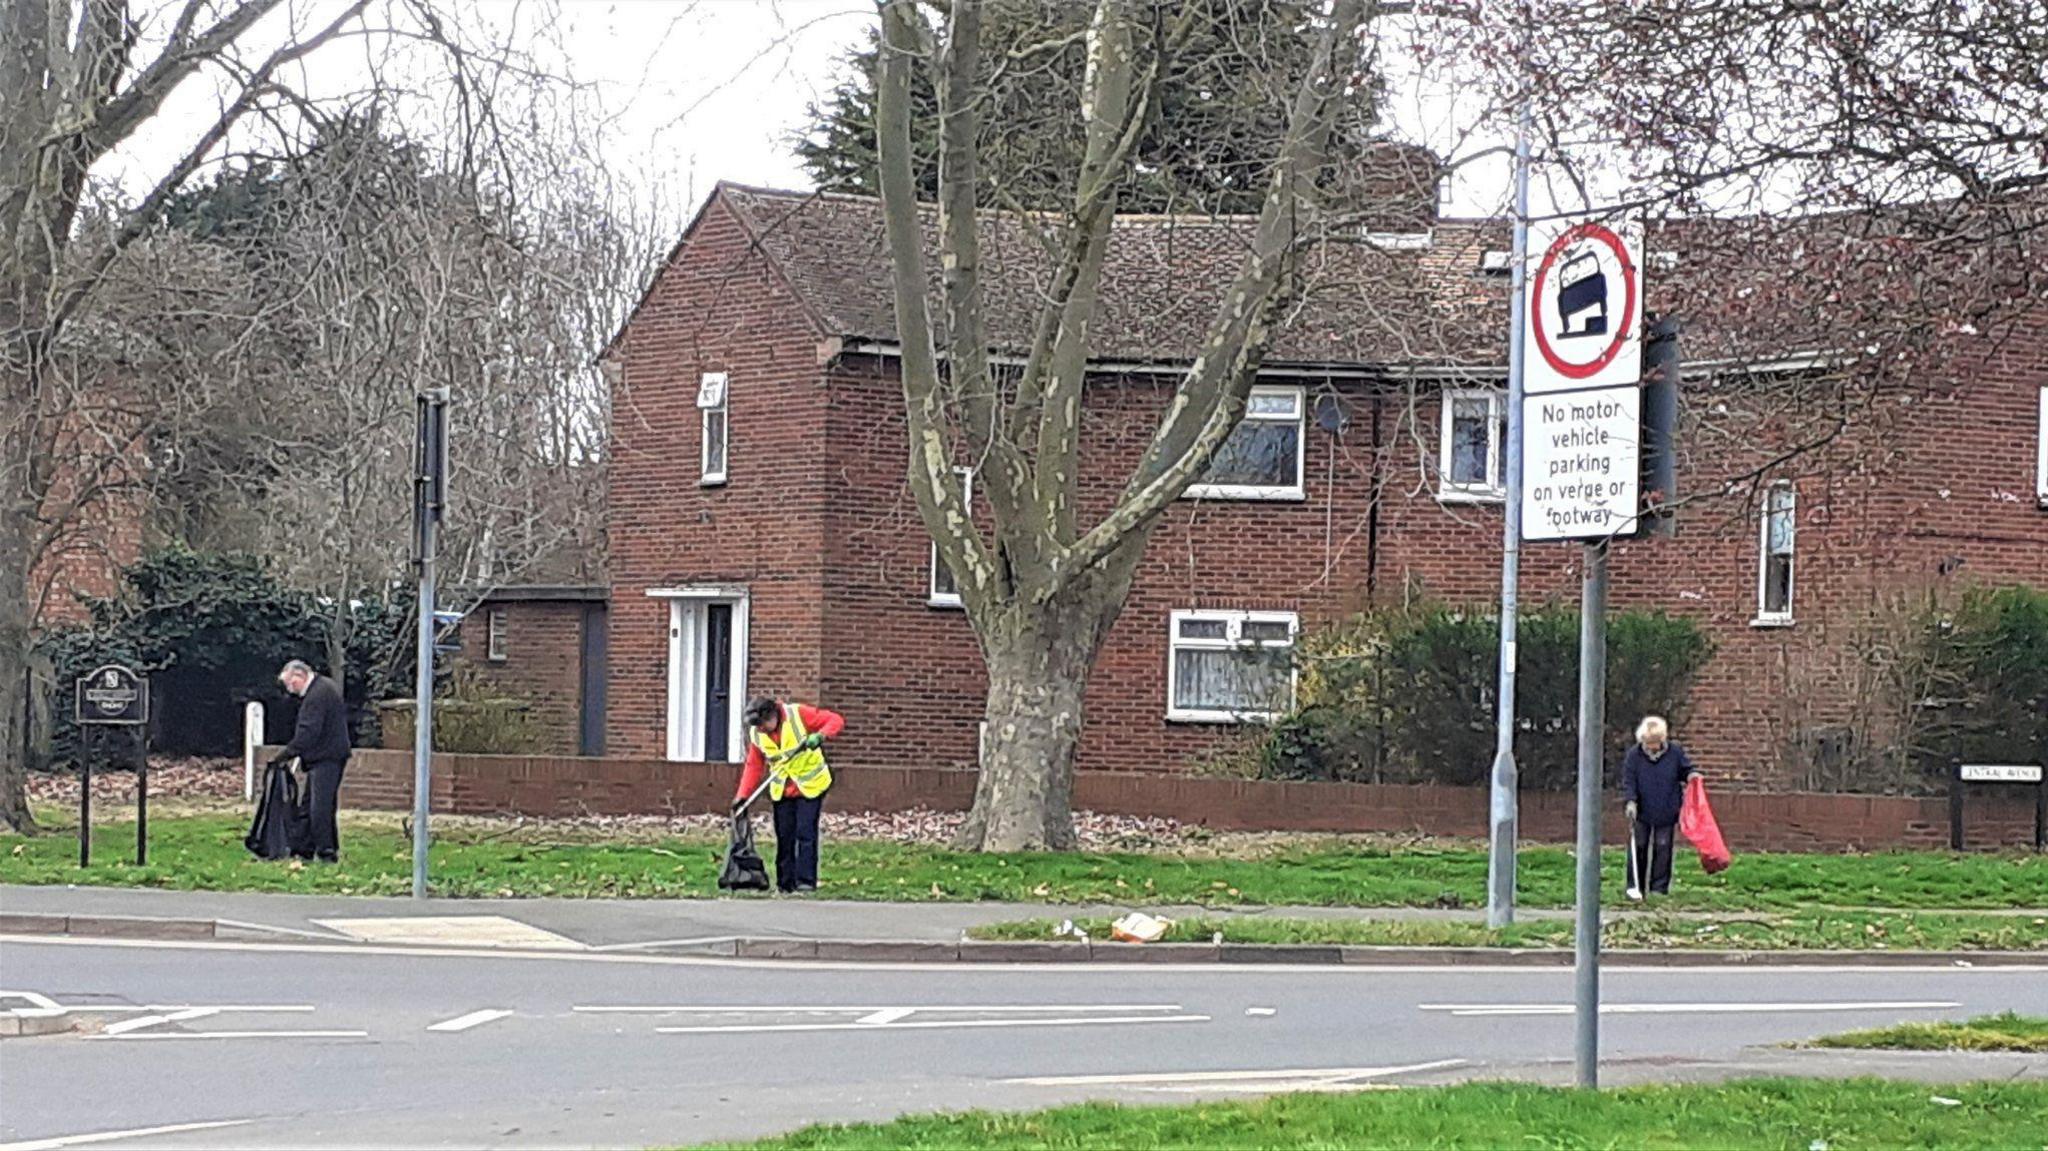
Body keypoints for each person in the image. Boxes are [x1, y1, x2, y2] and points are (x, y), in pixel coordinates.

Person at [734, 696, 844, 894]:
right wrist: (743, 795)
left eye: (763, 724)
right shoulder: (758, 734)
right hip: (782, 789)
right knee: (784, 836)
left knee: (805, 833)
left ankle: (805, 882)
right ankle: (785, 883)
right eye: (757, 726)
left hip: (810, 785)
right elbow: (754, 765)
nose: (761, 729)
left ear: (773, 715)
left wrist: (820, 736)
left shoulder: (798, 714)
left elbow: (834, 720)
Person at [272, 659, 351, 863]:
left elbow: (309, 731)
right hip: (327, 756)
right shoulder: (324, 687)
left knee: (320, 808)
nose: (290, 690)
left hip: (327, 757)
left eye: (291, 684)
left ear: (299, 675)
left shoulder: (317, 696)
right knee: (309, 807)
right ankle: (304, 848)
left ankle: (326, 852)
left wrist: (288, 753)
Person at [1620, 714, 1696, 900]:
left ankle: (1659, 889)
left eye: (1655, 742)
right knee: (1638, 846)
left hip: (1667, 809)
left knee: (1663, 848)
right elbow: (1629, 781)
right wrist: (1631, 801)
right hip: (1642, 810)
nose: (1651, 746)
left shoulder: (1675, 753)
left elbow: (1685, 770)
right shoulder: (1634, 756)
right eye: (1648, 742)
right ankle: (1634, 886)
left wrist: (1692, 776)